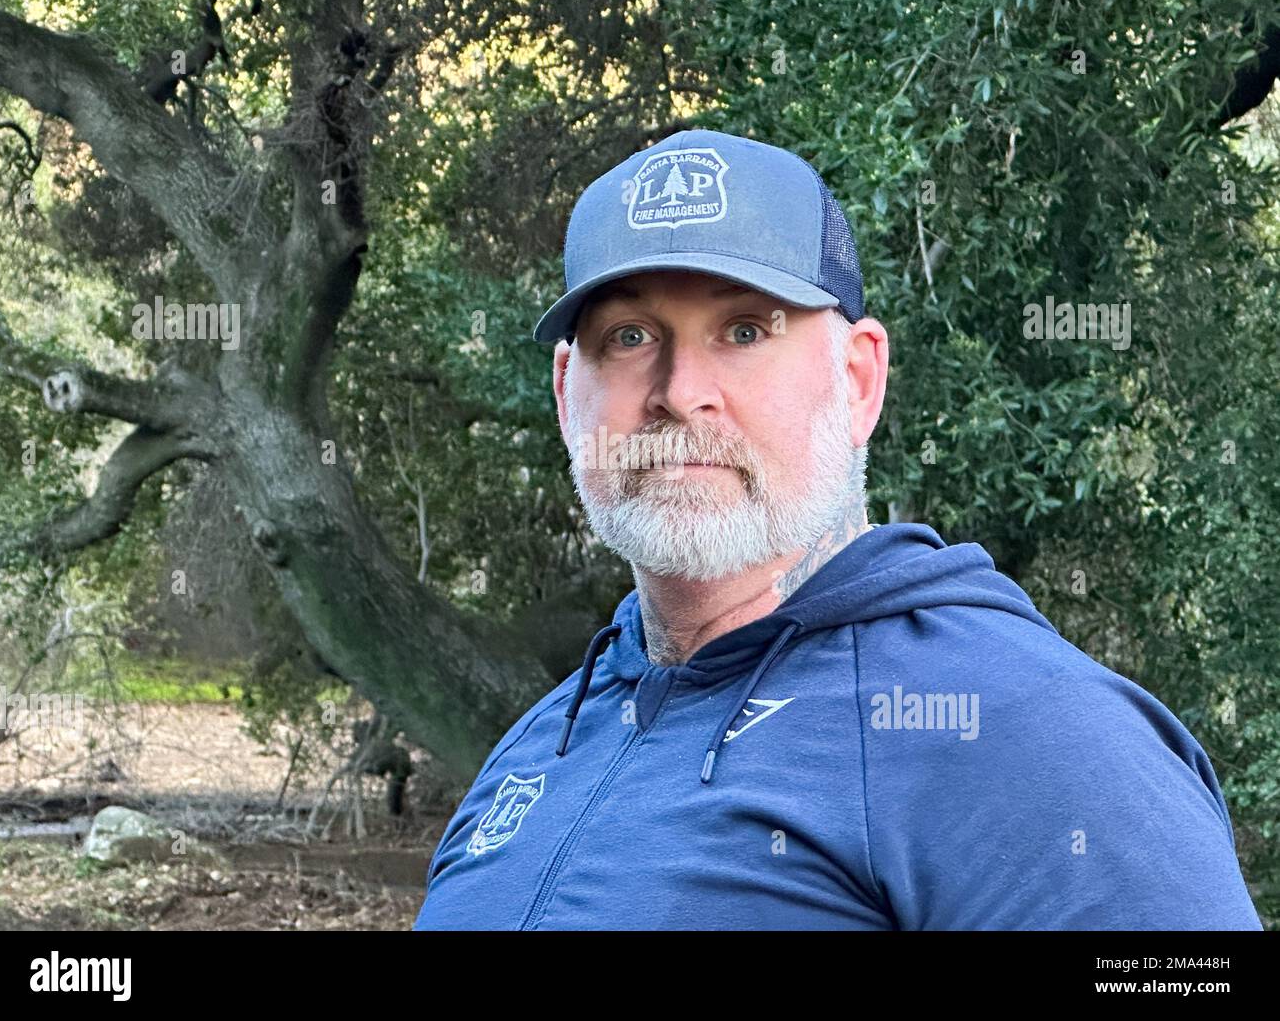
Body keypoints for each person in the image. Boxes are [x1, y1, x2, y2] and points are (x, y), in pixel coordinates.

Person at [413, 128, 1261, 930]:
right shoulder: (541, 747)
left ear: (858, 381)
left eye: (744, 330)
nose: (681, 390)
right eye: (629, 337)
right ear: (568, 394)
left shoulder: (1028, 733)